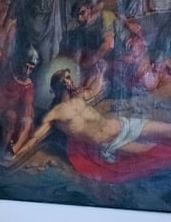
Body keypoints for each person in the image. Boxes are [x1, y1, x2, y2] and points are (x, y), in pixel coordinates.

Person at [13, 68, 171, 163]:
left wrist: (100, 72)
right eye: (67, 78)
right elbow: (35, 138)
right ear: (58, 85)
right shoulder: (56, 113)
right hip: (110, 141)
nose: (71, 81)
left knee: (166, 129)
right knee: (157, 154)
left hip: (123, 124)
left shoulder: (80, 98)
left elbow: (95, 90)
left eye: (70, 76)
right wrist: (16, 154)